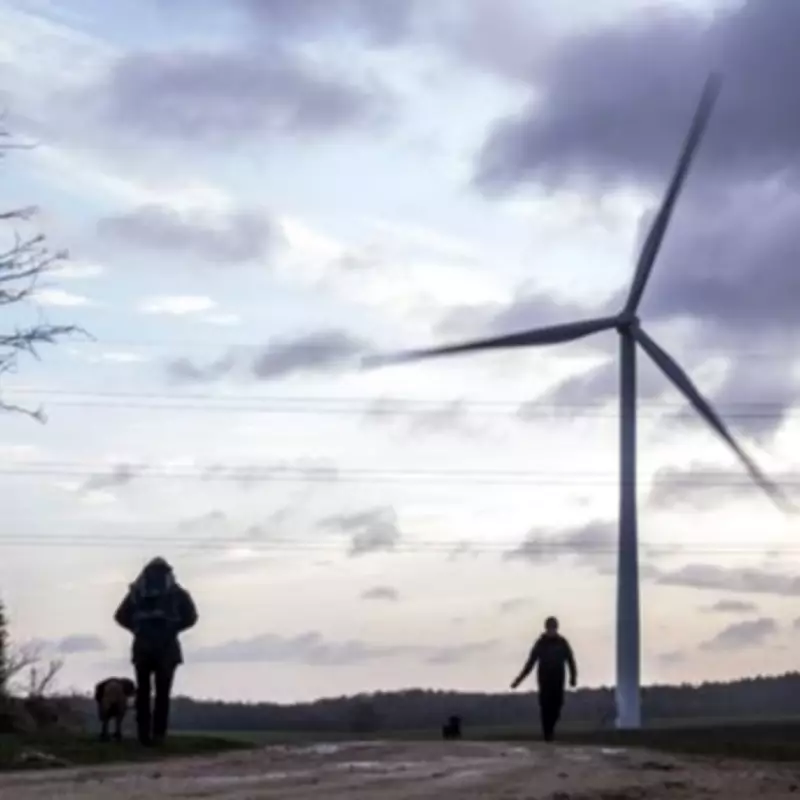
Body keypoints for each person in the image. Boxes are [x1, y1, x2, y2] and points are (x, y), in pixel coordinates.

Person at [113, 557, 198, 746]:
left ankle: (143, 734)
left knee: (143, 692)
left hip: (142, 648)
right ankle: (158, 734)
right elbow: (192, 617)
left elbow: (120, 616)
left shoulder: (136, 593)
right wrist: (174, 628)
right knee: (162, 694)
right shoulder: (177, 593)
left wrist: (136, 629)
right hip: (167, 649)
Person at [509, 616, 577, 742]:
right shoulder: (540, 643)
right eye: (550, 628)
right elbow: (530, 662)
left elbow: (570, 661)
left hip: (558, 679)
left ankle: (551, 729)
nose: (552, 630)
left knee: (557, 706)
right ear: (546, 628)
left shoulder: (562, 643)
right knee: (545, 707)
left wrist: (573, 678)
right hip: (545, 680)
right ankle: (547, 734)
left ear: (556, 628)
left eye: (553, 628)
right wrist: (518, 680)